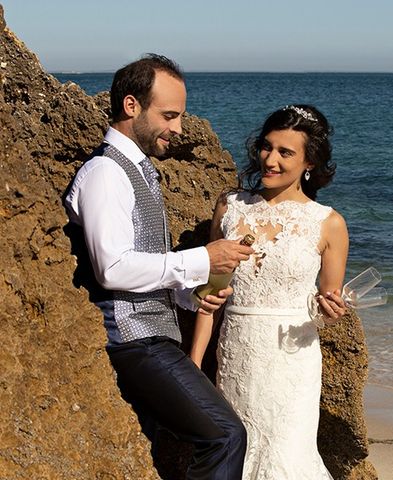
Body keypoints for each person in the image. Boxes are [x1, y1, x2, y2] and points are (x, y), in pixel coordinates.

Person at [64, 53, 253, 480]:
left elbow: (144, 261)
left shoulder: (139, 171)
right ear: (132, 106)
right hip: (133, 341)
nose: (179, 129)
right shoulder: (105, 173)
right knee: (225, 435)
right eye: (169, 115)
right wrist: (203, 258)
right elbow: (112, 269)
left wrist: (193, 296)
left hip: (153, 337)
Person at [190, 105, 349, 479]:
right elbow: (211, 294)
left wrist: (330, 310)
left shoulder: (328, 223)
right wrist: (195, 364)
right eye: (266, 147)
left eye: (285, 152)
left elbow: (327, 302)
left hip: (292, 360)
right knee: (237, 454)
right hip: (238, 353)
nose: (270, 159)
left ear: (309, 162)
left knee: (287, 460)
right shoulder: (229, 207)